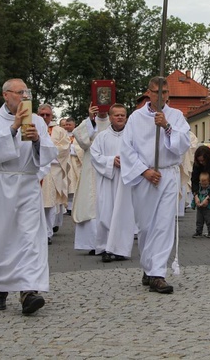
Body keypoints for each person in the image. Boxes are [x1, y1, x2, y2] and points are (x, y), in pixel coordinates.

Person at [0, 78, 57, 315]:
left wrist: (37, 141)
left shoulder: (38, 122)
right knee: (2, 238)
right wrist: (14, 128)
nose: (24, 97)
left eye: (26, 92)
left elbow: (50, 152)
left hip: (27, 184)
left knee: (30, 237)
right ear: (6, 95)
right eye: (20, 92)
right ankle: (0, 290)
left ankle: (28, 291)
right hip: (0, 184)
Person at [121, 77, 190, 294]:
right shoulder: (135, 118)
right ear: (149, 93)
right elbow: (127, 149)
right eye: (157, 92)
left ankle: (157, 273)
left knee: (163, 225)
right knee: (146, 226)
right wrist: (145, 171)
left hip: (167, 175)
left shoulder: (176, 116)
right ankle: (148, 265)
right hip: (145, 176)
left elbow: (183, 144)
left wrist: (167, 127)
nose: (162, 97)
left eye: (166, 92)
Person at [91, 104, 130, 262]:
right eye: (116, 115)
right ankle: (106, 248)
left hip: (126, 181)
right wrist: (111, 161)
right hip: (108, 180)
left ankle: (120, 249)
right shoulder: (102, 136)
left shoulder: (131, 135)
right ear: (110, 117)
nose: (120, 117)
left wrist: (127, 162)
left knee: (123, 214)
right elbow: (94, 156)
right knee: (106, 214)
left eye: (122, 115)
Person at [72, 105, 109, 254]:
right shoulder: (87, 123)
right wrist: (91, 121)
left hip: (110, 165)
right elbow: (84, 143)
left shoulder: (115, 122)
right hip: (91, 166)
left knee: (108, 201)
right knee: (90, 202)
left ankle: (109, 242)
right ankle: (92, 243)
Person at [37, 104, 70, 243]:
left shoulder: (59, 130)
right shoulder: (30, 127)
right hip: (35, 169)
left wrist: (47, 151)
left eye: (47, 115)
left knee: (49, 203)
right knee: (34, 203)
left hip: (51, 170)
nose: (44, 117)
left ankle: (48, 233)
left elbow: (65, 148)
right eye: (42, 114)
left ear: (52, 115)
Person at [191, 145, 210, 236]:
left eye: (203, 160)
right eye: (199, 160)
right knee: (201, 215)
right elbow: (194, 180)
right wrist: (196, 195)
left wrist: (208, 198)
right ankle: (200, 230)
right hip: (202, 188)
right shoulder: (197, 165)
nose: (201, 162)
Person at [192, 172, 210, 238]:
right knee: (199, 221)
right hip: (200, 208)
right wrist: (193, 205)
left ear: (209, 182)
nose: (204, 186)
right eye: (202, 184)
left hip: (208, 208)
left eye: (205, 184)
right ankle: (198, 232)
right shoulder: (199, 190)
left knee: (209, 221)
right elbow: (195, 198)